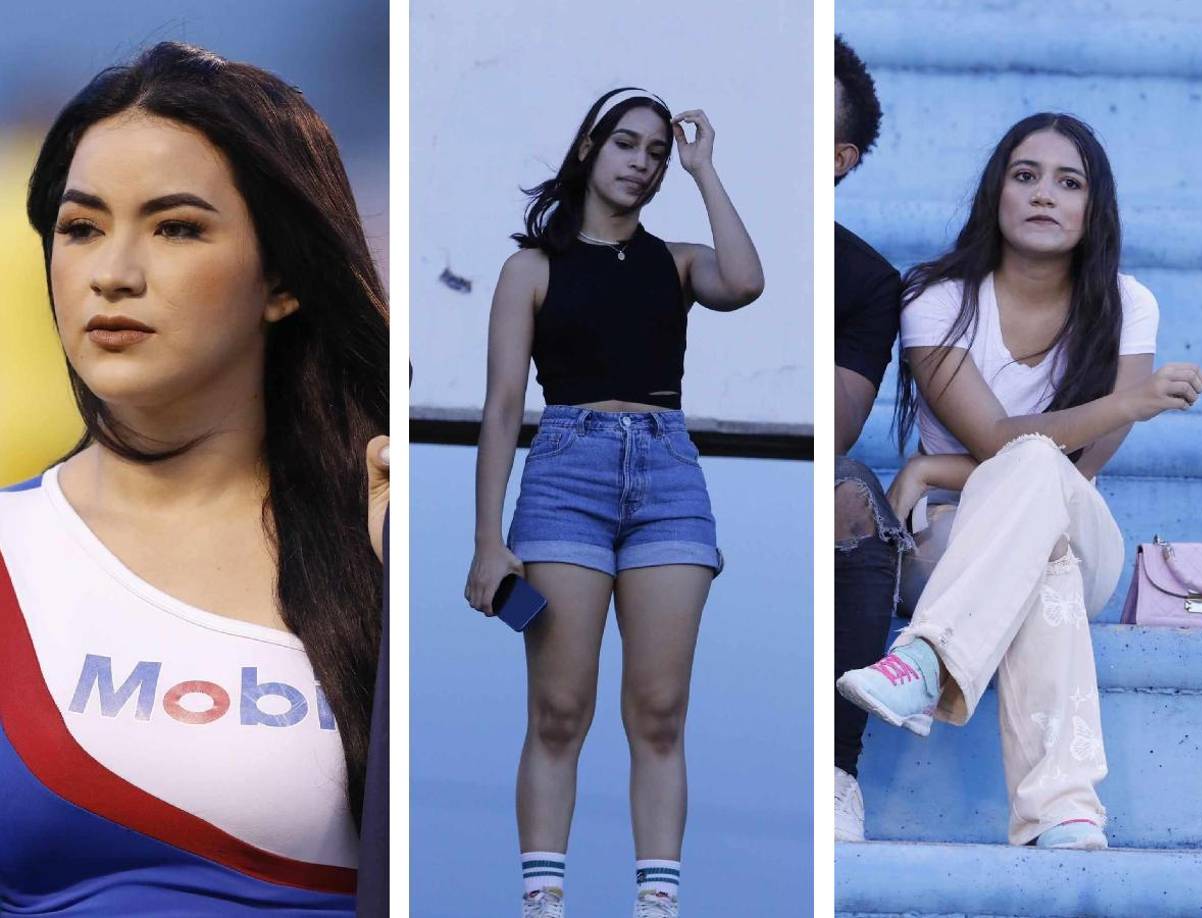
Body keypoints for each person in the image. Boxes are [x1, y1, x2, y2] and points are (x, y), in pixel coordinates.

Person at [0, 42, 389, 915]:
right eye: (80, 227)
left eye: (176, 227)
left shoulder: (387, 547)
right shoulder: (10, 552)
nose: (113, 274)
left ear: (281, 279)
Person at [837, 112, 1202, 850]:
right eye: (1026, 176)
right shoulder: (936, 299)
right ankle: (1063, 810)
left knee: (1042, 478)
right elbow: (1000, 441)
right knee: (1046, 567)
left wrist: (934, 466)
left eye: (1069, 182)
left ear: (1093, 207)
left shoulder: (1128, 304)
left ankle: (927, 657)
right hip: (952, 541)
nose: (1045, 194)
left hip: (1074, 519)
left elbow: (1075, 471)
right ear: (995, 194)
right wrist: (1131, 400)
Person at [463, 87, 763, 918]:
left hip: (668, 477)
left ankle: (657, 904)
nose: (642, 163)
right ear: (591, 147)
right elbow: (499, 408)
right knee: (560, 709)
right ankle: (544, 900)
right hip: (566, 474)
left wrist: (705, 170)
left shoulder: (675, 263)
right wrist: (489, 541)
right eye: (628, 144)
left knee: (660, 712)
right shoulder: (531, 267)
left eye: (657, 152)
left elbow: (745, 281)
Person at [832, 34, 912, 843]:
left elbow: (836, 426)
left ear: (841, 158)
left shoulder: (864, 280)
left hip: (787, 464)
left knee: (854, 493)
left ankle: (835, 771)